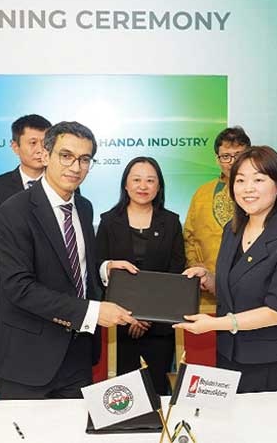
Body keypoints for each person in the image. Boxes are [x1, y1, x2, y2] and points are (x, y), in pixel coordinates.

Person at [0, 121, 137, 399]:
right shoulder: (14, 211)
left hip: (77, 355)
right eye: (66, 156)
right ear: (46, 155)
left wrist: (104, 269)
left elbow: (71, 266)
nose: (76, 167)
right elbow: (20, 288)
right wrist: (92, 312)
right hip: (27, 358)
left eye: (84, 159)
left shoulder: (84, 207)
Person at [174, 146, 277, 393]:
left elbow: (276, 312)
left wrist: (214, 324)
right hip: (230, 356)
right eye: (240, 180)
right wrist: (209, 279)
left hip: (275, 364)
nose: (247, 188)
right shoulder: (233, 230)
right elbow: (239, 286)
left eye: (258, 180)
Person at [96, 156, 185, 394]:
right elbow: (99, 268)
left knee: (156, 390)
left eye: (150, 180)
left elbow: (175, 274)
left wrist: (147, 317)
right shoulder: (109, 221)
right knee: (126, 393)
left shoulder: (171, 222)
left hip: (159, 326)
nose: (143, 186)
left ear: (159, 186)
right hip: (120, 325)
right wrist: (131, 317)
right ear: (125, 185)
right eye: (136, 180)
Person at [0, 114, 52, 284]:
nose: (40, 150)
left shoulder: (65, 184)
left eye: (45, 143)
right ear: (15, 147)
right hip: (14, 287)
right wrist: (15, 283)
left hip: (58, 290)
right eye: (33, 143)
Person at [183, 126, 251, 275]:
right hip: (207, 280)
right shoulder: (202, 193)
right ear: (217, 159)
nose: (232, 162)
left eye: (238, 155)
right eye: (225, 156)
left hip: (251, 280)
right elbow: (189, 236)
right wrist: (195, 266)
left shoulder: (259, 193)